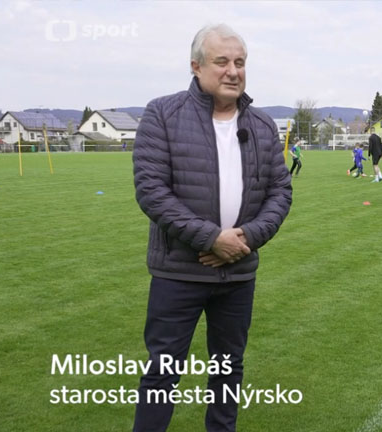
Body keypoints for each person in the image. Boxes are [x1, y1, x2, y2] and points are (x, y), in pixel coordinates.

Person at [131, 23, 292, 432]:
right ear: (196, 66)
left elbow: (280, 192)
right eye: (222, 62)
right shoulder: (162, 114)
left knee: (228, 370)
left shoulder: (261, 125)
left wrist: (247, 238)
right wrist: (211, 238)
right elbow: (152, 191)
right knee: (162, 373)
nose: (233, 71)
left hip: (237, 273)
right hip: (178, 273)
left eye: (240, 62)